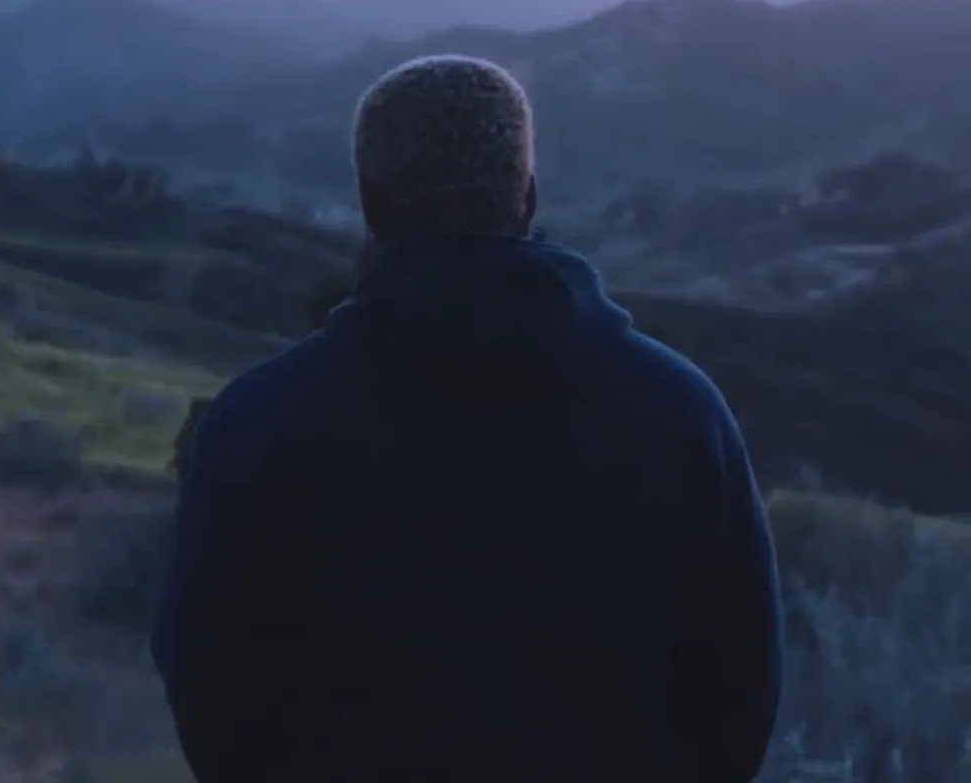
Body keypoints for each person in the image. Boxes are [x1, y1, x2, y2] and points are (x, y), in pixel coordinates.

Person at [152, 55, 783, 782]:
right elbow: (741, 689)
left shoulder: (257, 424)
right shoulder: (681, 412)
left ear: (370, 205)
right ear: (528, 196)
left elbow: (208, 685)